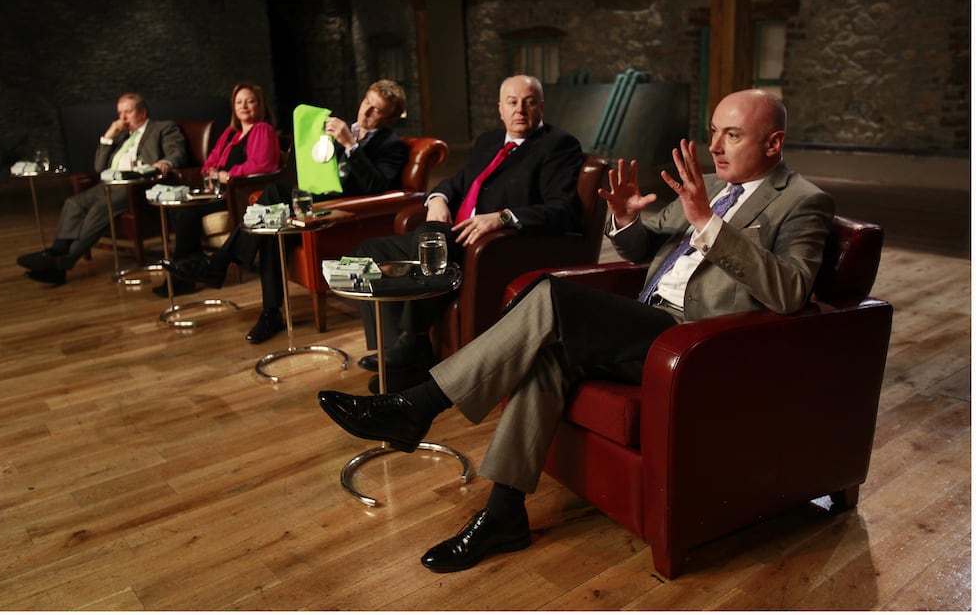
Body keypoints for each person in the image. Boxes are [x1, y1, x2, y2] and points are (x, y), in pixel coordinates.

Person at [316, 89, 836, 573]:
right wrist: (625, 219)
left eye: (732, 135)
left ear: (774, 143)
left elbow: (790, 291)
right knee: (547, 355)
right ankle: (504, 513)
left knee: (549, 294)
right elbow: (641, 249)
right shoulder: (714, 186)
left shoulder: (803, 201)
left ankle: (419, 404)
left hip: (696, 341)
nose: (715, 147)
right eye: (714, 132)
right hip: (647, 322)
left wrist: (708, 223)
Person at [351, 74, 585, 392]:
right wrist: (438, 198)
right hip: (451, 234)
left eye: (529, 103)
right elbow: (457, 182)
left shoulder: (558, 145)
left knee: (433, 240)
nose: (520, 110)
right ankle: (402, 351)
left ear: (541, 107)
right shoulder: (489, 141)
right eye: (512, 102)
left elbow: (563, 208)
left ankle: (410, 344)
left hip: (490, 244)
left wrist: (503, 217)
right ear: (500, 108)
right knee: (367, 252)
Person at [164, 79, 410, 343]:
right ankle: (270, 313)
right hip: (316, 199)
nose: (366, 111)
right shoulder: (346, 130)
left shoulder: (391, 145)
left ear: (390, 118)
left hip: (341, 211)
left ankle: (219, 264)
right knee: (274, 227)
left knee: (274, 194)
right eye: (366, 102)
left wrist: (351, 145)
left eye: (376, 109)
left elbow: (377, 187)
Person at [17, 93, 189, 285]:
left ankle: (63, 261)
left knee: (100, 208)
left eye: (128, 112)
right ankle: (56, 253)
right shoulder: (121, 135)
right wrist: (108, 136)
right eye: (120, 113)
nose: (122, 118)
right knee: (73, 203)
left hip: (135, 185)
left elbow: (177, 153)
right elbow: (99, 167)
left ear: (142, 113)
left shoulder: (162, 127)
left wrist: (165, 162)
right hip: (109, 183)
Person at [152, 82, 282, 297]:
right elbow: (210, 161)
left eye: (250, 101)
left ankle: (184, 278)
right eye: (239, 102)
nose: (244, 106)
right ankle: (192, 269)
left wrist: (228, 175)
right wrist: (210, 171)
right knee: (179, 208)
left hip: (240, 196)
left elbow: (262, 165)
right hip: (219, 194)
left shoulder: (262, 129)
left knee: (186, 213)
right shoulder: (231, 133)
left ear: (260, 105)